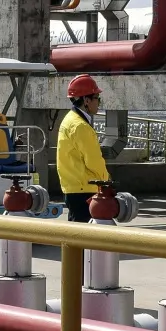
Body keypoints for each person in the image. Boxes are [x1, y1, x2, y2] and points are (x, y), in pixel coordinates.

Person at [56, 73, 111, 222]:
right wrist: (106, 182)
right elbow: (93, 160)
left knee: (75, 236)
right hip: (84, 189)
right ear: (86, 100)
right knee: (84, 237)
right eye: (96, 98)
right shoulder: (80, 126)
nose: (98, 102)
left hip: (73, 187)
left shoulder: (69, 120)